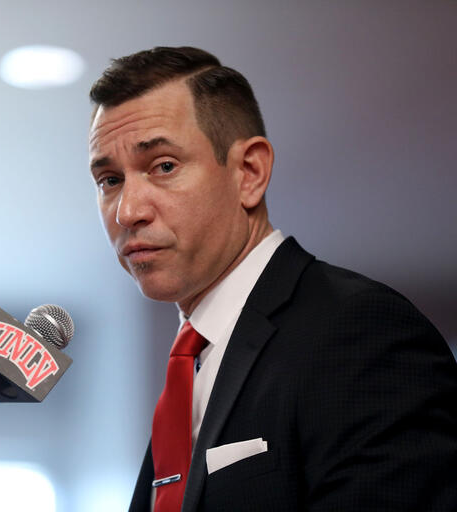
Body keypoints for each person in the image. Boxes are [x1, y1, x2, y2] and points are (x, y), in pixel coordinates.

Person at [87, 46, 457, 511]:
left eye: (164, 166)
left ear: (249, 172)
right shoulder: (194, 362)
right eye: (109, 180)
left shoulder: (361, 330)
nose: (128, 211)